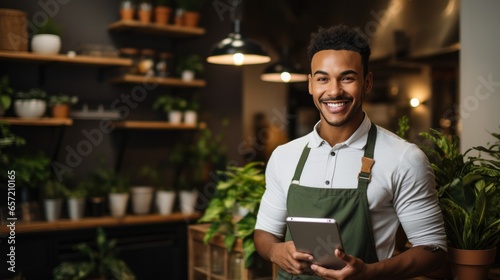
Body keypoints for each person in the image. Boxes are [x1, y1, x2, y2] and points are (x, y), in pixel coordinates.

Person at [254, 24, 447, 280]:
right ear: (310, 84)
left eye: (347, 78)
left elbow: (433, 250)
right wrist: (276, 251)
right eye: (322, 78)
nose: (334, 91)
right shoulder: (284, 156)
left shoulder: (404, 158)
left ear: (366, 82)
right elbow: (264, 233)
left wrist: (369, 272)